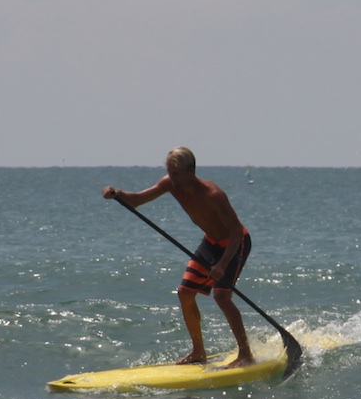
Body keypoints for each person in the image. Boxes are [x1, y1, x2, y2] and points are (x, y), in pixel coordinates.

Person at [103, 146, 254, 368]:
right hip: (211, 242)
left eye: (176, 174)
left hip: (234, 243)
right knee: (185, 293)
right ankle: (198, 352)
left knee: (222, 296)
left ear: (190, 171)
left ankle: (246, 354)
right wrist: (117, 194)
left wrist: (222, 265)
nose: (171, 178)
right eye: (169, 172)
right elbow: (137, 200)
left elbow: (234, 232)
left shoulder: (214, 195)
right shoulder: (170, 184)